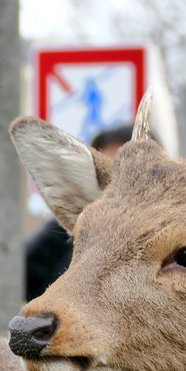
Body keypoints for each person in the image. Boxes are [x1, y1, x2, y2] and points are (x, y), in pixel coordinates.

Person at [24, 123, 133, 301]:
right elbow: (23, 272)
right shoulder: (68, 229)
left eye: (123, 172)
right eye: (103, 175)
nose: (112, 186)